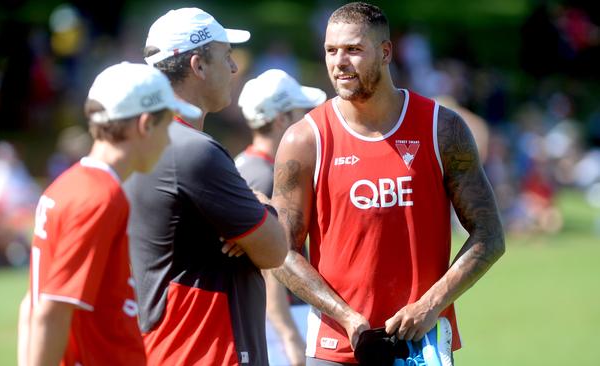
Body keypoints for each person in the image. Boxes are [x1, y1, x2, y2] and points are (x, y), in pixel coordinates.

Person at [270, 2, 505, 365]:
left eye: (353, 50)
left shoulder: (442, 129)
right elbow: (281, 251)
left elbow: (489, 235)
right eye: (331, 51)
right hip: (336, 349)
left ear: (385, 52)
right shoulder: (305, 140)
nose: (339, 62)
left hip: (421, 347)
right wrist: (346, 316)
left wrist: (430, 305)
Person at [124, 7, 288, 365]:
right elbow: (276, 250)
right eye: (226, 57)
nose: (233, 68)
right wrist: (263, 211)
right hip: (208, 348)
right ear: (197, 66)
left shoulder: (139, 142)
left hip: (165, 346)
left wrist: (247, 230)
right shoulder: (194, 151)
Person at [16, 62, 201, 366]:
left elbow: (32, 306)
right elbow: (52, 309)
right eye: (166, 127)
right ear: (145, 125)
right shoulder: (101, 197)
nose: (168, 142)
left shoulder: (65, 186)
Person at [236, 69, 327, 366]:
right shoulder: (266, 177)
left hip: (264, 318)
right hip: (281, 319)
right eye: (299, 114)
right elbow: (271, 263)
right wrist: (289, 334)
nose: (306, 123)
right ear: (280, 120)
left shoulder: (245, 165)